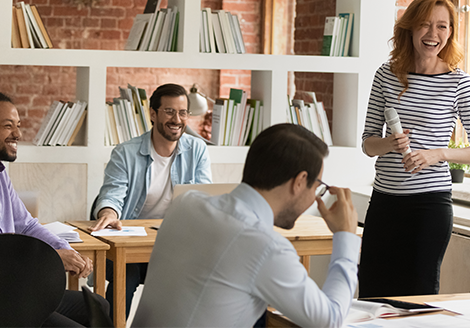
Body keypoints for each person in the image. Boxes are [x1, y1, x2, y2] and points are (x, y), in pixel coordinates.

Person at [131, 124, 360, 328]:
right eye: (317, 186)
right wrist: (346, 236)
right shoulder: (265, 246)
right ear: (299, 181)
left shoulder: (185, 204)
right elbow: (329, 319)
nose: (314, 198)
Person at [358, 0, 470, 297]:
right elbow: (367, 144)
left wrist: (438, 154)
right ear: (410, 28)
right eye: (425, 25)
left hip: (429, 206)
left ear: (451, 32)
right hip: (384, 202)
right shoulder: (386, 76)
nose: (433, 35)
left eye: (442, 27)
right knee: (371, 292)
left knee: (418, 294)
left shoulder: (458, 82)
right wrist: (390, 144)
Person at [89, 83, 212, 317]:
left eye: (183, 112)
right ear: (153, 114)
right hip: (129, 248)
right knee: (127, 275)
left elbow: (203, 199)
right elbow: (112, 195)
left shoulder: (197, 150)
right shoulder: (125, 152)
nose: (177, 119)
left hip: (172, 247)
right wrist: (108, 213)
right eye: (169, 111)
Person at [0, 92, 109, 326]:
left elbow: (26, 225)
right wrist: (55, 259)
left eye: (18, 126)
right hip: (6, 298)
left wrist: (66, 250)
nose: (18, 134)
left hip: (17, 288)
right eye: (8, 126)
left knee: (99, 305)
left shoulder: (1, 175)